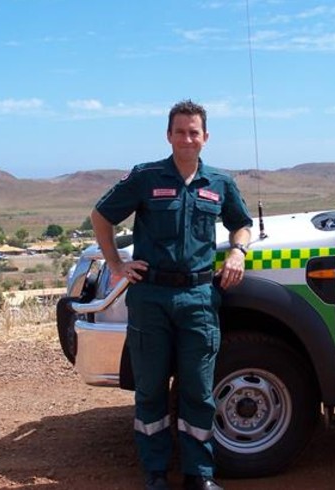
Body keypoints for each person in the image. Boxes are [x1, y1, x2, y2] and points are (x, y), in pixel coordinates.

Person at [90, 100, 252, 490]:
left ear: (205, 137)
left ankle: (200, 475)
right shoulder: (146, 178)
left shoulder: (219, 183)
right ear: (169, 135)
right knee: (151, 391)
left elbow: (241, 224)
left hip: (198, 298)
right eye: (180, 131)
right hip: (151, 298)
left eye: (194, 131)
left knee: (198, 389)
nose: (187, 138)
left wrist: (237, 251)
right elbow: (101, 215)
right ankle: (156, 473)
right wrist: (116, 266)